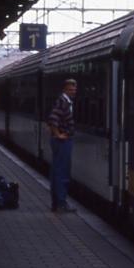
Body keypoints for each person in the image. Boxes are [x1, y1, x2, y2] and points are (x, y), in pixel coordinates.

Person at [47, 79, 78, 213]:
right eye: (71, 89)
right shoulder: (63, 102)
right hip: (63, 141)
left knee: (57, 171)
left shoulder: (64, 102)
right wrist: (58, 134)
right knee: (62, 172)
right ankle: (61, 203)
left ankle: (57, 203)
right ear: (65, 89)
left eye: (74, 89)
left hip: (61, 140)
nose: (73, 91)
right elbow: (53, 119)